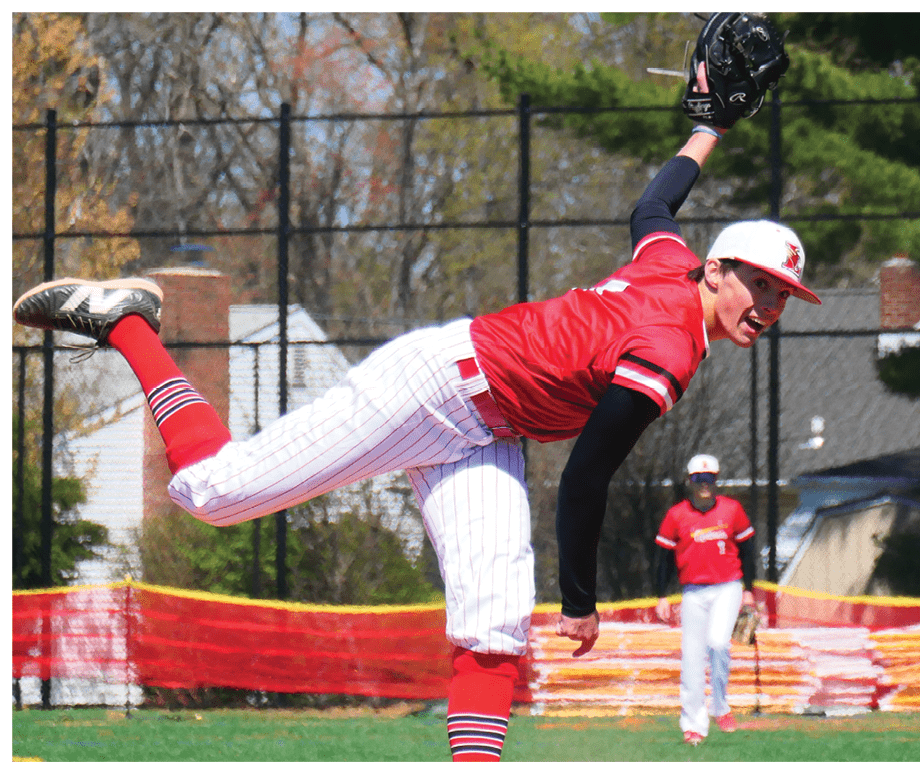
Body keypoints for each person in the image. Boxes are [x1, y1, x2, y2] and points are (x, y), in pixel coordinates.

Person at [13, 65, 818, 762]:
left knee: (496, 627)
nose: (772, 304)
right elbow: (584, 480)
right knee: (215, 493)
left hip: (486, 428)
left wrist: (706, 129)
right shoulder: (668, 348)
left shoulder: (670, 267)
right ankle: (126, 322)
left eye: (785, 294)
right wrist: (579, 599)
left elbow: (654, 207)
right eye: (761, 283)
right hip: (436, 386)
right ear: (716, 271)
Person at [655, 453, 758, 746]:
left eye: (710, 479)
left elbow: (748, 550)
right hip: (692, 592)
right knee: (691, 657)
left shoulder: (732, 509)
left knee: (717, 642)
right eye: (700, 479)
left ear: (716, 480)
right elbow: (662, 558)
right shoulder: (677, 515)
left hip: (728, 587)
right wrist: (661, 595)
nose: (705, 485)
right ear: (690, 482)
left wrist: (749, 590)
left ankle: (721, 706)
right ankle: (693, 725)